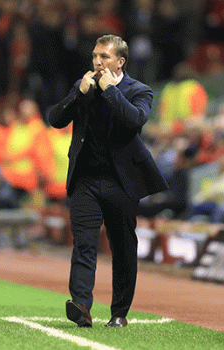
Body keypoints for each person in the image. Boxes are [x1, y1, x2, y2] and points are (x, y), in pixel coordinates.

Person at [47, 34, 168, 328]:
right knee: (84, 243)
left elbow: (135, 121)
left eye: (104, 57)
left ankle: (119, 312)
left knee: (123, 246)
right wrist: (77, 93)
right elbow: (55, 119)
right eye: (95, 57)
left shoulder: (139, 90)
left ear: (120, 61)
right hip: (86, 179)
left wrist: (111, 91)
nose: (97, 62)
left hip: (121, 181)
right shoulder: (82, 87)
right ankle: (81, 305)